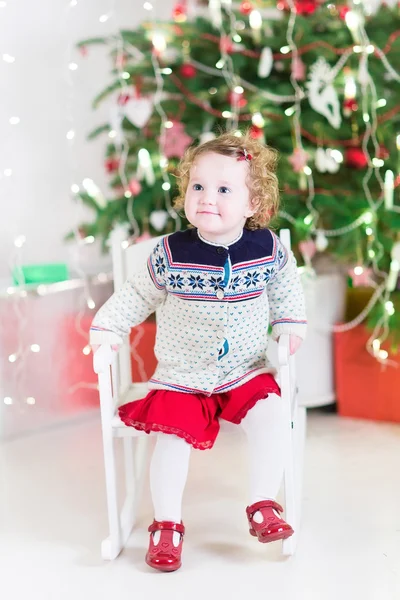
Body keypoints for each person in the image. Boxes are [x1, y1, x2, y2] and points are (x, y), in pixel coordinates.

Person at [90, 130, 307, 572]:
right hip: (182, 375)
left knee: (271, 417)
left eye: (224, 189)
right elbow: (136, 295)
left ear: (252, 203)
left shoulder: (267, 248)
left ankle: (263, 502)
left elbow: (287, 289)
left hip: (246, 370)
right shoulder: (171, 253)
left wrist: (288, 326)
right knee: (171, 440)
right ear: (186, 192)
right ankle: (166, 524)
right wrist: (108, 327)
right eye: (198, 187)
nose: (207, 197)